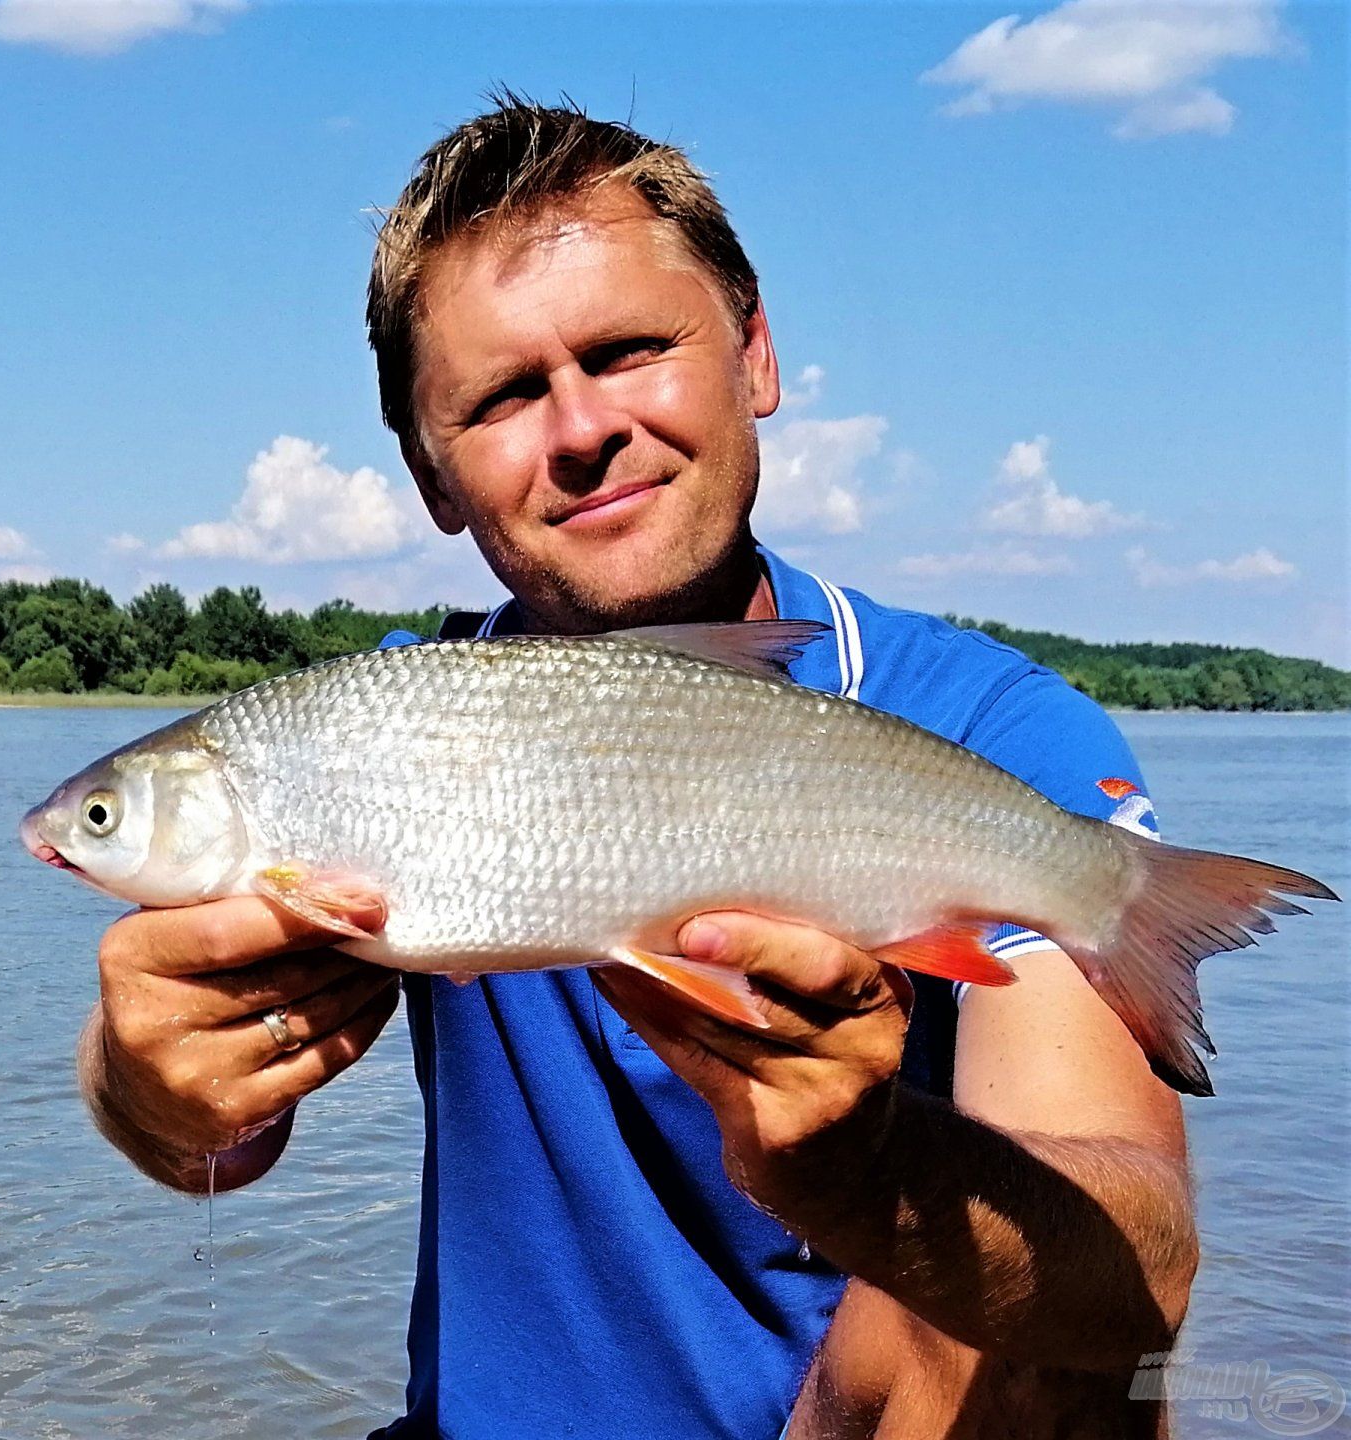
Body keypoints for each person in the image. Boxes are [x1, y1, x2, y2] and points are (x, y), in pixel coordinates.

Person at [77, 98, 1195, 1439]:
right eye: (501, 396)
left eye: (628, 350)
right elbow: (200, 1122)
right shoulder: (388, 717)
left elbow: (1145, 1264)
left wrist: (863, 1160)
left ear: (754, 353)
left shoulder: (998, 728)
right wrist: (149, 1093)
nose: (582, 428)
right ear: (432, 477)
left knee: (1088, 1395)